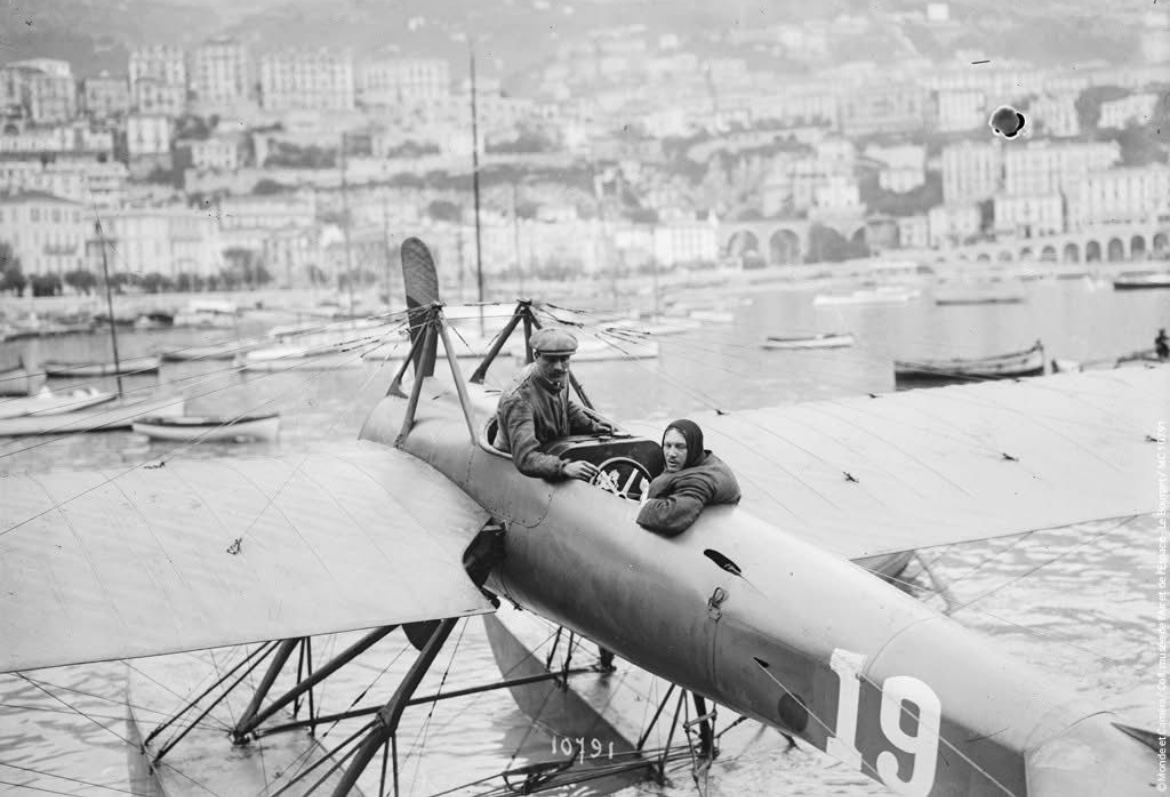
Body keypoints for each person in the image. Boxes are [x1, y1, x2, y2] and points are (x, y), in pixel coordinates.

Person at [496, 327, 617, 481]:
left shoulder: (559, 375)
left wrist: (591, 426)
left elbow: (565, 406)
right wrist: (563, 467)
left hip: (551, 449)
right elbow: (524, 458)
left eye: (564, 358)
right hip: (513, 467)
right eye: (551, 360)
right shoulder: (519, 399)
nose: (559, 366)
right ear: (536, 356)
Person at [637, 419, 741, 537]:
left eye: (680, 447)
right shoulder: (706, 461)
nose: (671, 454)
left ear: (694, 448)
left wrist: (646, 500)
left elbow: (670, 517)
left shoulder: (699, 481)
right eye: (668, 445)